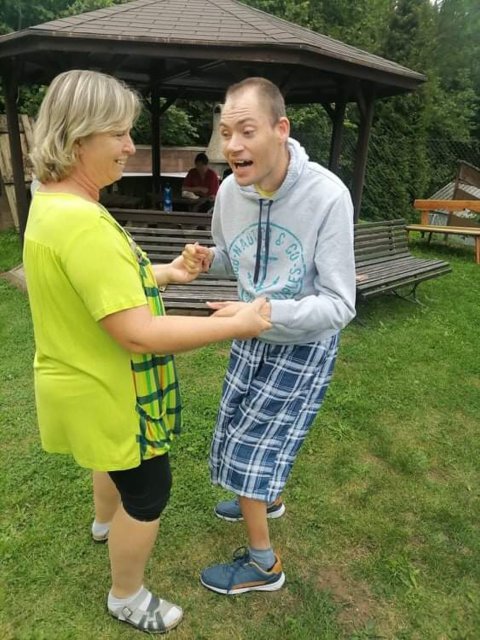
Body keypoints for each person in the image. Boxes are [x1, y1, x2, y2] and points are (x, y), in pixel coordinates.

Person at [23, 69, 270, 634]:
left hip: (77, 381)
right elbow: (137, 333)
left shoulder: (51, 205)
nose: (130, 146)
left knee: (109, 459)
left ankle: (103, 525)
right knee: (149, 490)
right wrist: (236, 325)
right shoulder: (83, 222)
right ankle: (127, 595)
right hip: (112, 390)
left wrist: (169, 273)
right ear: (78, 137)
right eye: (118, 134)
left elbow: (97, 286)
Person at [182, 77, 356, 595]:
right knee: (239, 425)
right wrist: (209, 259)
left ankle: (263, 566)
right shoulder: (229, 193)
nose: (232, 146)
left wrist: (264, 312)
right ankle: (264, 496)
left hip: (301, 343)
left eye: (247, 130)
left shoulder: (327, 196)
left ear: (281, 130)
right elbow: (236, 258)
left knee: (248, 446)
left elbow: (340, 304)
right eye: (225, 133)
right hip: (249, 331)